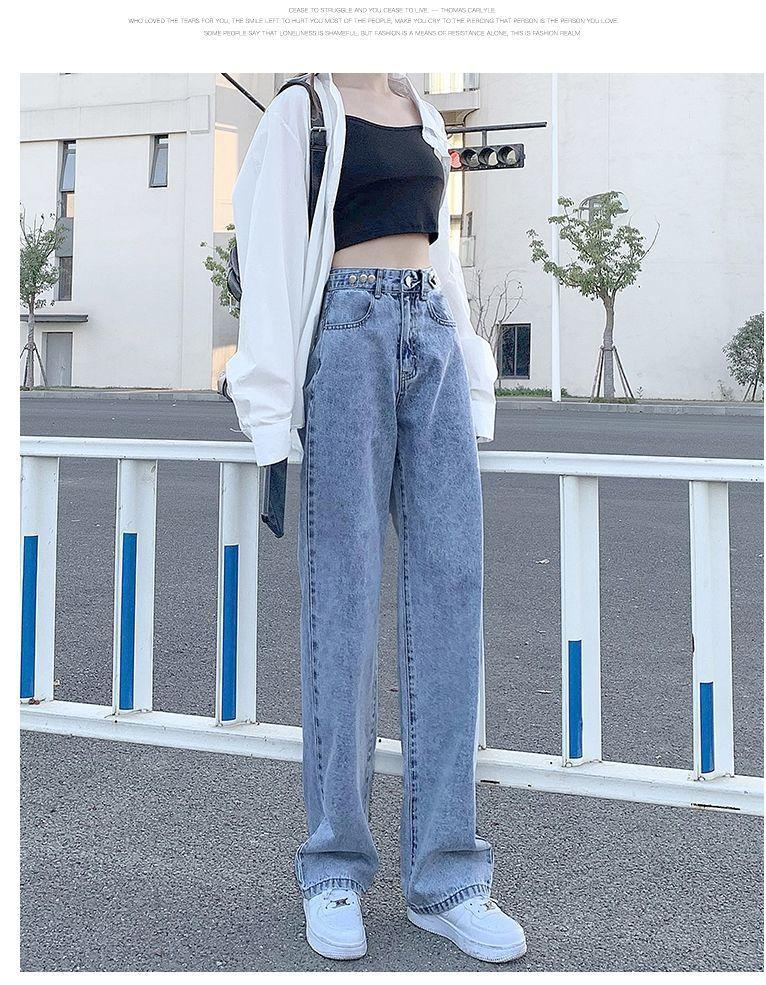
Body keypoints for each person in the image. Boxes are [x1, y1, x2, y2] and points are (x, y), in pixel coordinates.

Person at [226, 72, 526, 964]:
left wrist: (471, 377)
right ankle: (334, 867)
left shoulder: (422, 112)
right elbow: (268, 257)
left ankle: (448, 878)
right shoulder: (303, 110)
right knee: (343, 603)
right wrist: (269, 417)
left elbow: (446, 264)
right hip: (347, 337)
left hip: (430, 335)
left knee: (451, 596)